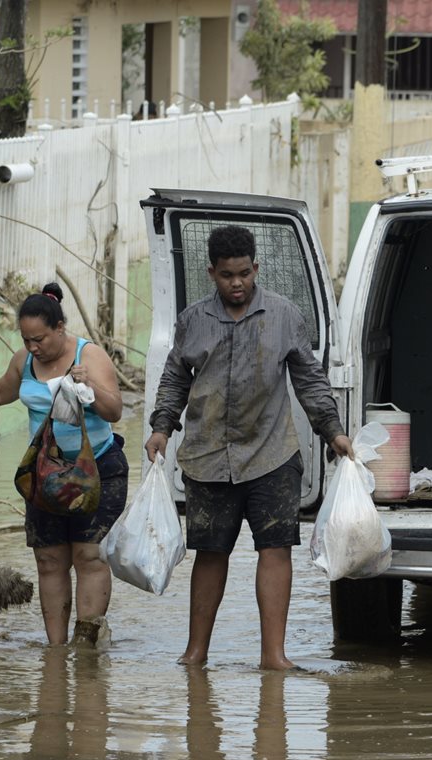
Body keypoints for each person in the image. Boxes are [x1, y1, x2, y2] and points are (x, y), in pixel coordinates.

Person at [145, 225, 354, 671]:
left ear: (256, 268)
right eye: (226, 275)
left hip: (272, 453)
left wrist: (332, 431)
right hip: (206, 457)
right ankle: (195, 652)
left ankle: (273, 656)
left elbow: (309, 380)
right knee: (211, 552)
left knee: (275, 549)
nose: (236, 283)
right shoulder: (193, 321)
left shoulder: (284, 315)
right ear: (211, 274)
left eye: (243, 273)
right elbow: (175, 379)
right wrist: (162, 427)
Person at [0, 283, 127, 647]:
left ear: (60, 328)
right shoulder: (24, 361)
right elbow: (0, 392)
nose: (33, 348)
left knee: (88, 555)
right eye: (27, 340)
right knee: (49, 560)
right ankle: (57, 652)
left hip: (97, 470)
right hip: (45, 476)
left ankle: (87, 646)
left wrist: (88, 384)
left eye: (40, 339)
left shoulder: (88, 356)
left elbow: (115, 411)